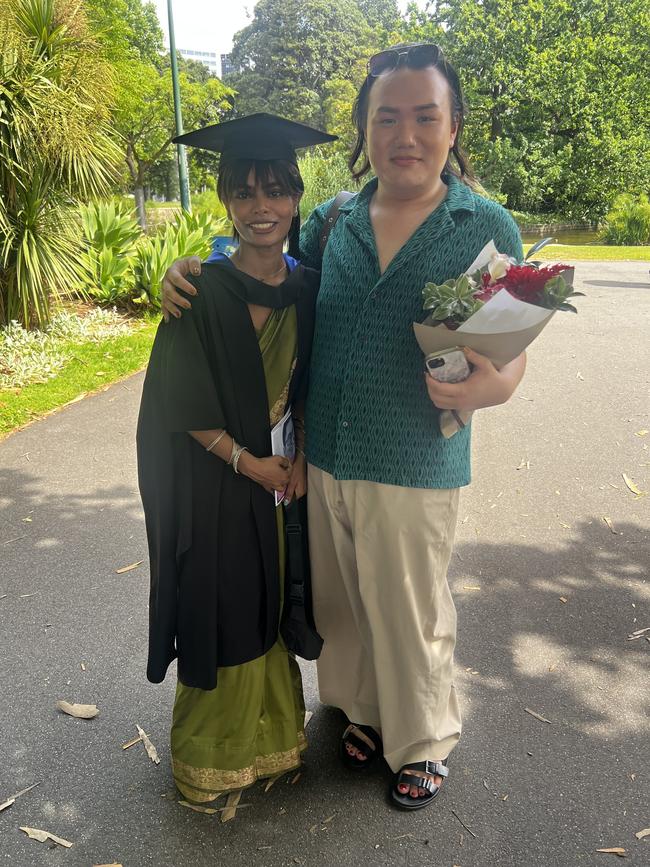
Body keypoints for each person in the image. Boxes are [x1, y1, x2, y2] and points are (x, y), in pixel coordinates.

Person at [160, 44, 526, 811]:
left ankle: (423, 739)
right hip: (323, 456)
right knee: (345, 603)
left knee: (411, 606)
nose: (406, 134)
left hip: (417, 456)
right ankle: (360, 710)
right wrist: (188, 267)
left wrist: (492, 387)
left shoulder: (485, 227)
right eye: (386, 117)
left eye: (425, 116)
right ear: (364, 129)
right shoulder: (335, 219)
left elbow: (509, 349)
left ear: (453, 125)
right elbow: (261, 264)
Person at [136, 113, 336, 803]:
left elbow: (312, 382)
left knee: (273, 599)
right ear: (225, 198)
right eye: (245, 192)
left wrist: (301, 458)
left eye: (275, 190)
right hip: (221, 481)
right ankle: (211, 754)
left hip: (283, 479)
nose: (262, 207)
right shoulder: (201, 291)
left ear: (295, 197)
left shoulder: (307, 289)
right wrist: (250, 464)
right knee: (222, 600)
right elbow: (178, 401)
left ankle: (273, 740)